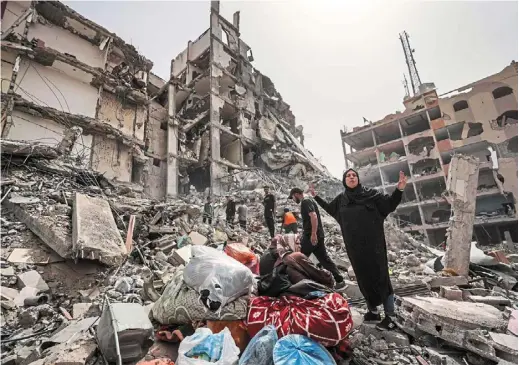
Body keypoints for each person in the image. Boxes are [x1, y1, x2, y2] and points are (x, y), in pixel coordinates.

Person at [311, 169, 407, 331]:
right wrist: (316, 197)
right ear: (344, 180)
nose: (351, 177)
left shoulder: (371, 195)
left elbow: (389, 204)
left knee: (381, 278)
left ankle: (390, 316)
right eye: (348, 175)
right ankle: (373, 312)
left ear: (358, 179)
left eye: (354, 175)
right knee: (363, 278)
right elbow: (329, 209)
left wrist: (399, 190)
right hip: (355, 248)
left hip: (374, 246)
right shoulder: (341, 200)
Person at [288, 187, 346, 290]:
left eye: (292, 197)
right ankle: (340, 280)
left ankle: (297, 283)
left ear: (296, 194)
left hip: (312, 236)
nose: (293, 200)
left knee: (298, 258)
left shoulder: (305, 201)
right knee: (324, 259)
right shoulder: (309, 200)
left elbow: (313, 216)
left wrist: (313, 234)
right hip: (317, 235)